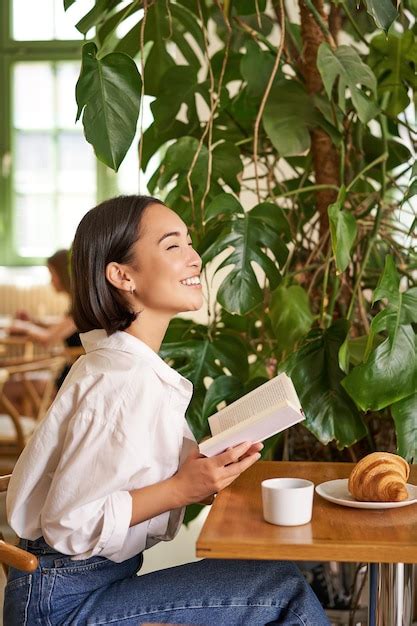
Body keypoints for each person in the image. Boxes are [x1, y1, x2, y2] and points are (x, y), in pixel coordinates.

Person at [4, 195, 329, 626]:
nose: (194, 258)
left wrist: (198, 469)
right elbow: (69, 524)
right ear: (122, 275)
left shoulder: (125, 364)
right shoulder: (120, 380)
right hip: (63, 603)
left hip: (82, 584)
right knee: (281, 592)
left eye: (190, 244)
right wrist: (182, 488)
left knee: (278, 581)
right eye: (173, 246)